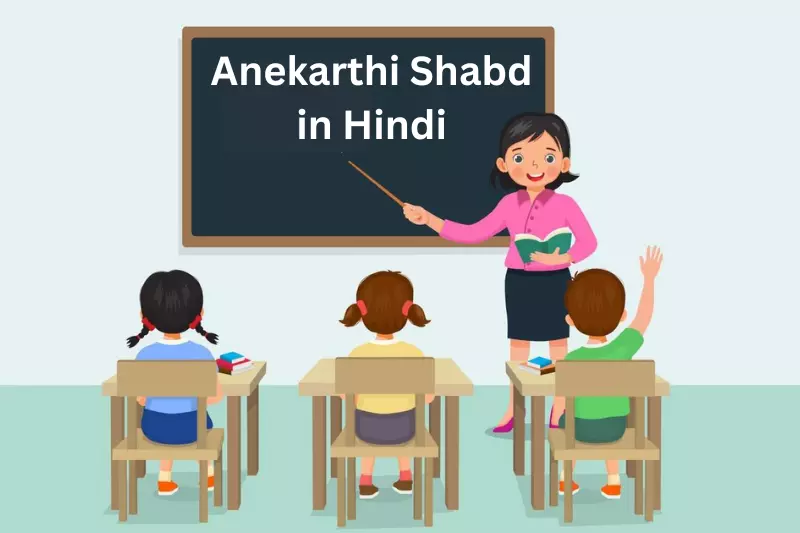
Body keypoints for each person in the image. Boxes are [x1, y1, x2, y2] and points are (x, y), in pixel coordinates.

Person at [403, 112, 597, 432]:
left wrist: (563, 257)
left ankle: (560, 408)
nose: (534, 167)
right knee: (518, 347)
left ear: (563, 163)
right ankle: (514, 410)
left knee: (558, 347)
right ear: (504, 164)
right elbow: (473, 232)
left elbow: (589, 242)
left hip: (557, 281)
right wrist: (430, 220)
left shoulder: (567, 206)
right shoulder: (509, 204)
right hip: (519, 282)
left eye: (547, 157)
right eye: (521, 157)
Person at [557, 246, 663, 499]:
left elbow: (561, 402)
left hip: (579, 429)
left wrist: (556, 418)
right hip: (615, 428)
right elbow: (644, 317)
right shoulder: (622, 349)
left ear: (570, 319)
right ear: (621, 315)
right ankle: (613, 480)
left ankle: (566, 479)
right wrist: (649, 280)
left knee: (567, 421)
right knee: (608, 416)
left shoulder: (571, 360)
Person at [126, 269, 223, 497]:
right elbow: (215, 398)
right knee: (202, 421)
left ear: (144, 315)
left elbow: (140, 399)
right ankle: (208, 474)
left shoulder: (144, 355)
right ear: (199, 313)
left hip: (154, 429)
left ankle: (164, 479)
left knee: (162, 415)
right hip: (193, 430)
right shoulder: (202, 354)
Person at [340, 270, 434, 499]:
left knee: (367, 429)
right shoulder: (414, 353)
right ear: (407, 310)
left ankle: (365, 481)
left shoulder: (357, 354)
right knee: (404, 425)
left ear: (362, 311)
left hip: (365, 429)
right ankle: (405, 477)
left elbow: (346, 396)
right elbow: (428, 397)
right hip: (405, 428)